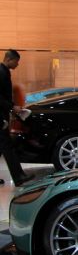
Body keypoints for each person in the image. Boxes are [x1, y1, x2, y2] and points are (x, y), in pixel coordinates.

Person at [0, 49, 33, 187]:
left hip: (3, 113)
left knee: (3, 146)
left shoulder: (4, 71)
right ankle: (18, 177)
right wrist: (12, 107)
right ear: (9, 59)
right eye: (16, 61)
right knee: (8, 146)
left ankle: (20, 175)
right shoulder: (1, 72)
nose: (17, 64)